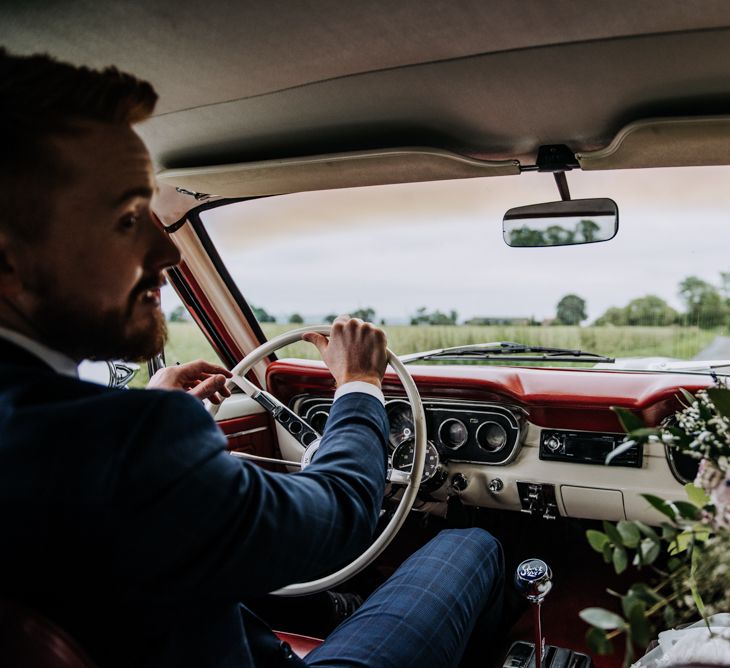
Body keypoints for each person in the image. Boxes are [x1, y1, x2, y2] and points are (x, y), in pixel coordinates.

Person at [0, 49, 503, 668]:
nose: (169, 251)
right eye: (129, 218)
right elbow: (343, 511)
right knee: (470, 542)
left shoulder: (70, 435)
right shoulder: (128, 444)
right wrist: (361, 385)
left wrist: (151, 405)